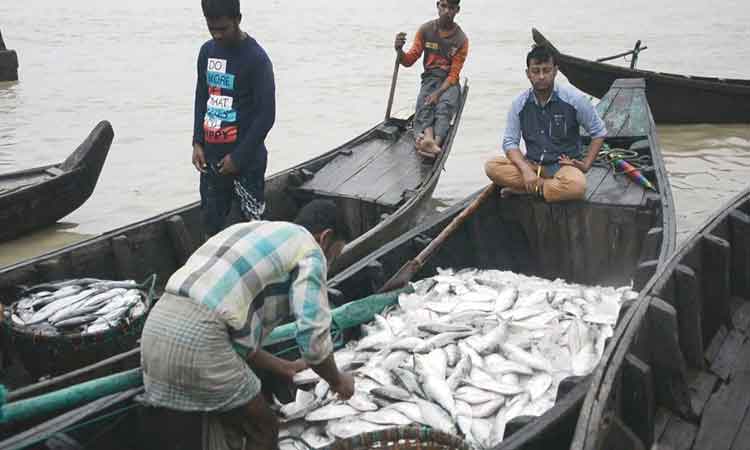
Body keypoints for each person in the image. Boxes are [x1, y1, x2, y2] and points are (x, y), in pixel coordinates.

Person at [140, 199, 355, 450]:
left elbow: (231, 329)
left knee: (231, 424)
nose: (330, 264)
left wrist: (282, 366)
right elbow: (312, 336)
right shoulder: (310, 249)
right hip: (202, 340)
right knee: (264, 428)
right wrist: (338, 382)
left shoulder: (254, 230)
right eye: (334, 256)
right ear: (325, 238)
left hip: (156, 328)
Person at [192, 0, 276, 238]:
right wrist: (197, 141)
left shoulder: (256, 59)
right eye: (211, 28)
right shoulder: (206, 52)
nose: (217, 35)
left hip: (246, 163)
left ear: (238, 19)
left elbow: (266, 115)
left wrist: (238, 158)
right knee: (211, 227)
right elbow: (202, 97)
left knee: (249, 234)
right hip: (211, 160)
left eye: (223, 29)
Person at [485, 45, 607, 202]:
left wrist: (586, 165)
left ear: (555, 71)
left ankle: (530, 188)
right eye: (536, 71)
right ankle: (541, 186)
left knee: (577, 187)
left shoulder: (574, 100)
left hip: (563, 167)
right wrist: (526, 170)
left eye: (546, 70)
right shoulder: (519, 103)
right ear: (528, 74)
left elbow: (599, 132)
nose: (541, 76)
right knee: (492, 167)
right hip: (533, 165)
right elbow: (510, 142)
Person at [394, 0, 468, 160]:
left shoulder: (461, 39)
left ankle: (435, 142)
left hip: (449, 82)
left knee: (445, 107)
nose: (447, 11)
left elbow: (454, 74)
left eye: (452, 8)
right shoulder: (426, 30)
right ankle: (428, 138)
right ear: (438, 6)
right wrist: (399, 51)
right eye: (444, 6)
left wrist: (439, 93)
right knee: (425, 104)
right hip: (430, 78)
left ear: (457, 10)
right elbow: (409, 60)